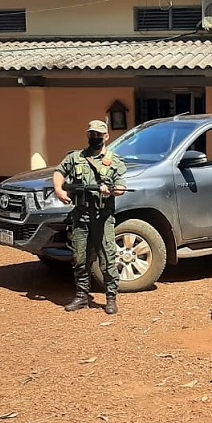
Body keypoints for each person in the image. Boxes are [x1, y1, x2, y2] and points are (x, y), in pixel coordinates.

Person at [53, 120, 127, 313]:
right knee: (79, 258)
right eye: (92, 134)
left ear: (106, 136)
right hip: (81, 216)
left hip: (102, 217)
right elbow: (59, 172)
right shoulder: (75, 157)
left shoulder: (114, 161)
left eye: (99, 135)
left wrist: (110, 190)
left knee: (107, 258)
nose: (95, 138)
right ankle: (81, 296)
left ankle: (111, 298)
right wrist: (59, 190)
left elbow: (121, 187)